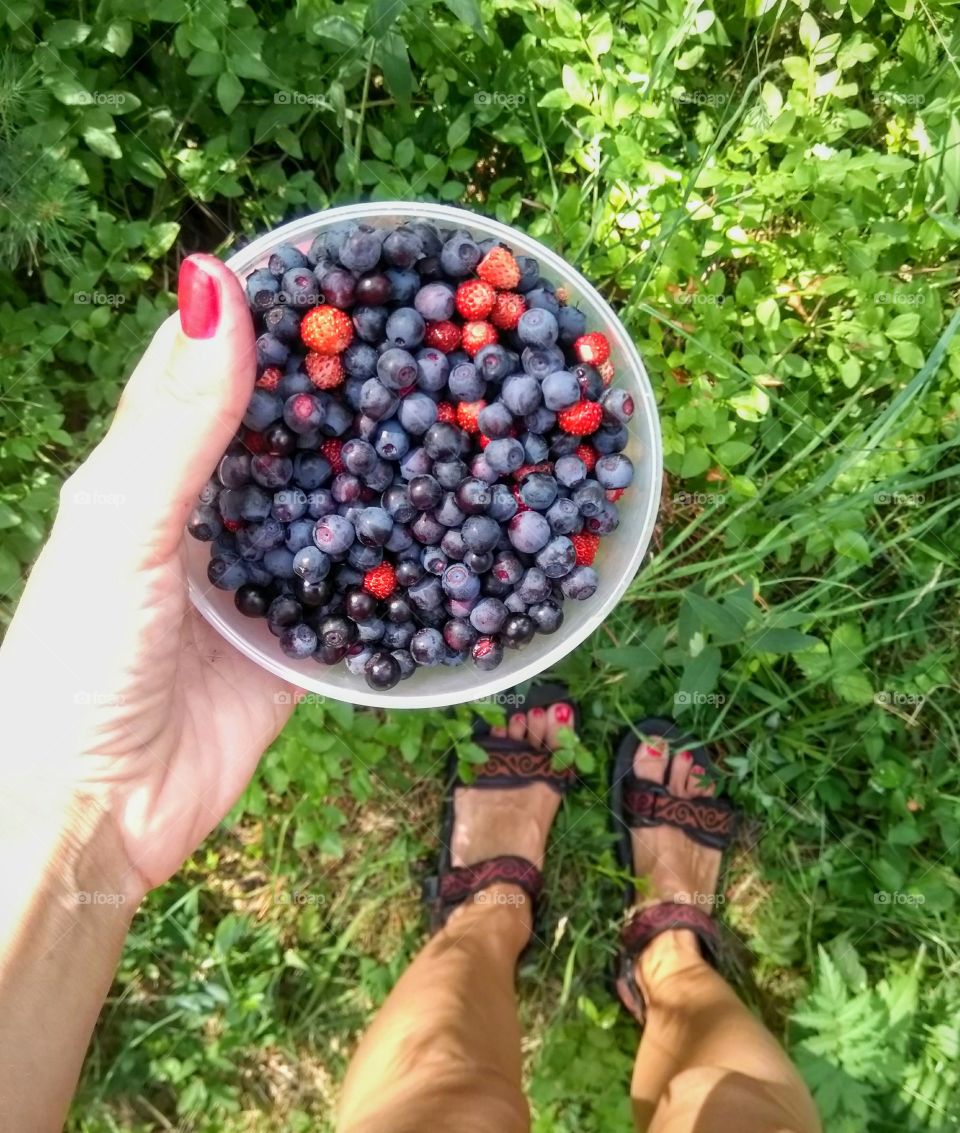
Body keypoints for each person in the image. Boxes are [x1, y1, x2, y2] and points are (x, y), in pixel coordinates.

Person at [0, 258, 820, 1133]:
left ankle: (497, 917)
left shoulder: (437, 417)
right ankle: (665, 950)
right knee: (736, 1114)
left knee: (439, 1105)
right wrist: (83, 809)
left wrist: (77, 803)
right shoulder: (433, 429)